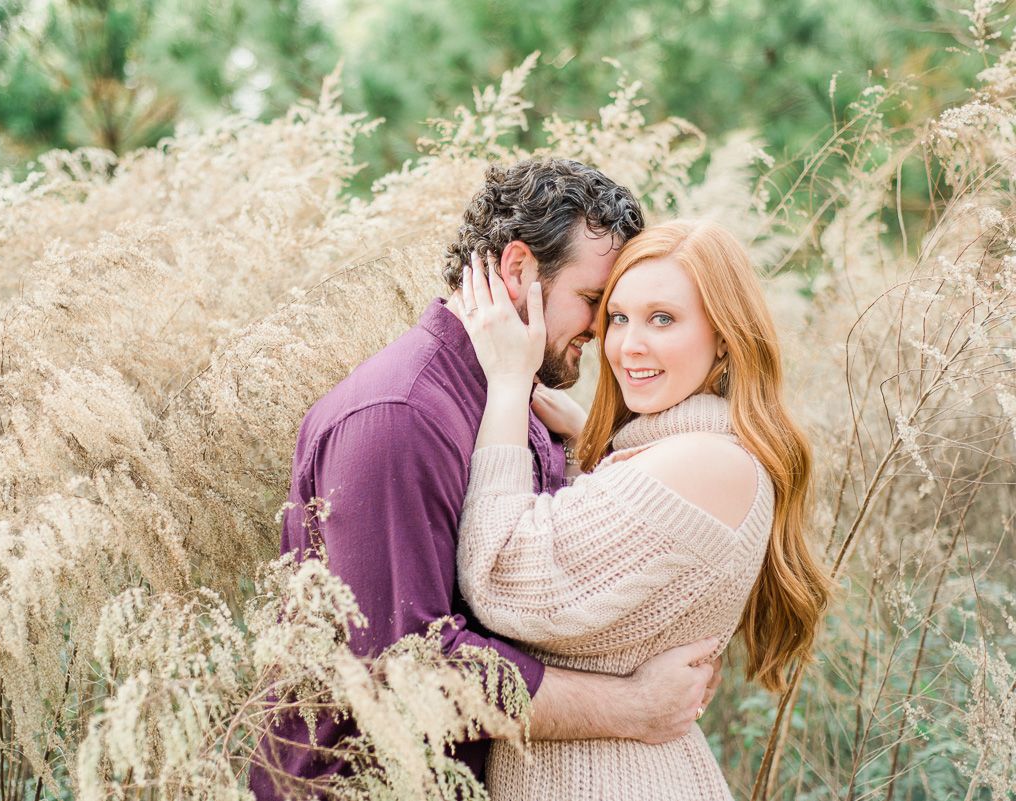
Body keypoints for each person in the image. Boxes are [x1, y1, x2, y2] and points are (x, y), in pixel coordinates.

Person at [249, 161, 725, 800]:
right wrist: (632, 706)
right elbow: (407, 672)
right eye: (594, 302)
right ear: (521, 270)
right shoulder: (399, 418)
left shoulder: (513, 402)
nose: (604, 332)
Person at [452, 219, 831, 800]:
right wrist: (593, 444)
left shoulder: (705, 465)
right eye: (618, 317)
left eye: (663, 319)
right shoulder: (701, 452)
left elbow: (502, 579)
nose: (629, 346)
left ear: (725, 337)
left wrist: (508, 382)